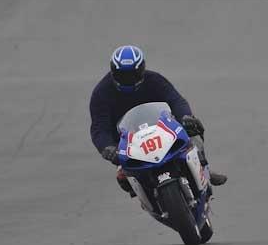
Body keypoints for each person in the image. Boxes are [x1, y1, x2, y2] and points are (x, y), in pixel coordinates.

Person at [89, 45, 227, 194]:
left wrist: (185, 116)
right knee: (124, 180)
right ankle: (149, 197)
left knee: (194, 130)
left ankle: (204, 170)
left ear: (141, 70)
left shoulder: (154, 80)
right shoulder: (101, 93)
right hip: (127, 142)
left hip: (162, 129)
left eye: (133, 75)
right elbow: (99, 127)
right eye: (122, 76)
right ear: (113, 72)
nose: (128, 81)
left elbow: (176, 100)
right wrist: (107, 147)